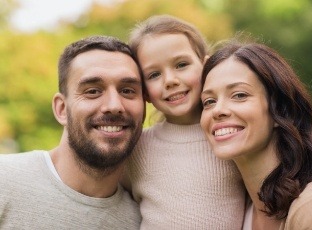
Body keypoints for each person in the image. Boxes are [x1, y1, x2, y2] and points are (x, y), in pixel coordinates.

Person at [200, 40, 312, 229]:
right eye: (209, 101)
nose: (218, 110)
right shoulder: (239, 212)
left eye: (239, 95)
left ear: (280, 111)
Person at [0, 35, 144, 229]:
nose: (114, 106)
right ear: (61, 109)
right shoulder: (5, 180)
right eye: (93, 91)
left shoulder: (145, 220)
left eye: (127, 90)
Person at [121, 15, 246, 229]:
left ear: (207, 68)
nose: (170, 80)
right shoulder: (136, 148)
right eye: (153, 75)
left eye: (181, 64)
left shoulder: (233, 134)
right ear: (145, 92)